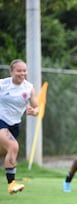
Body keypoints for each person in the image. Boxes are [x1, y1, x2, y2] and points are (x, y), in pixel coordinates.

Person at [0, 59, 39, 194]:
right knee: (13, 146)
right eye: (19, 70)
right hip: (1, 121)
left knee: (4, 152)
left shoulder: (28, 88)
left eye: (24, 70)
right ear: (11, 71)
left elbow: (37, 107)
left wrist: (34, 112)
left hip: (14, 125)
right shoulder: (3, 84)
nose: (22, 73)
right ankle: (12, 184)